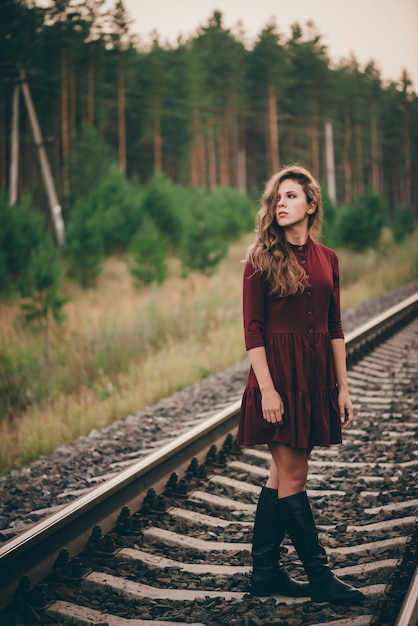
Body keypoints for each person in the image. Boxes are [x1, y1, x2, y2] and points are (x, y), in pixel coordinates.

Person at [237, 164, 364, 606]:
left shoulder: (328, 257)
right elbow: (252, 331)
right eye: (277, 197)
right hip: (279, 381)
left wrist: (343, 388)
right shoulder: (260, 257)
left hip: (315, 382)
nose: (281, 203)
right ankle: (320, 575)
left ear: (311, 205)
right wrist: (268, 391)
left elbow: (335, 325)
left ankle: (265, 574)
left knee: (279, 474)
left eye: (291, 196)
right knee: (295, 473)